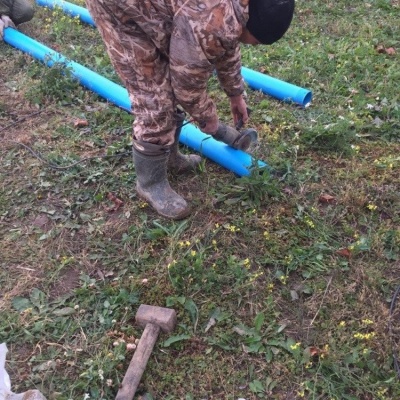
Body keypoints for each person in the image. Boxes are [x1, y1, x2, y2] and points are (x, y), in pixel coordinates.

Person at [85, 0, 295, 220]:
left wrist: (235, 93)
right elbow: (187, 88)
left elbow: (228, 42)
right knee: (155, 100)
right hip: (119, 10)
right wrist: (208, 119)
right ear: (252, 25)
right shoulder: (212, 20)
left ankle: (171, 158)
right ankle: (150, 183)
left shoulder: (237, 9)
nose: (257, 45)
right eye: (258, 41)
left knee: (170, 74)